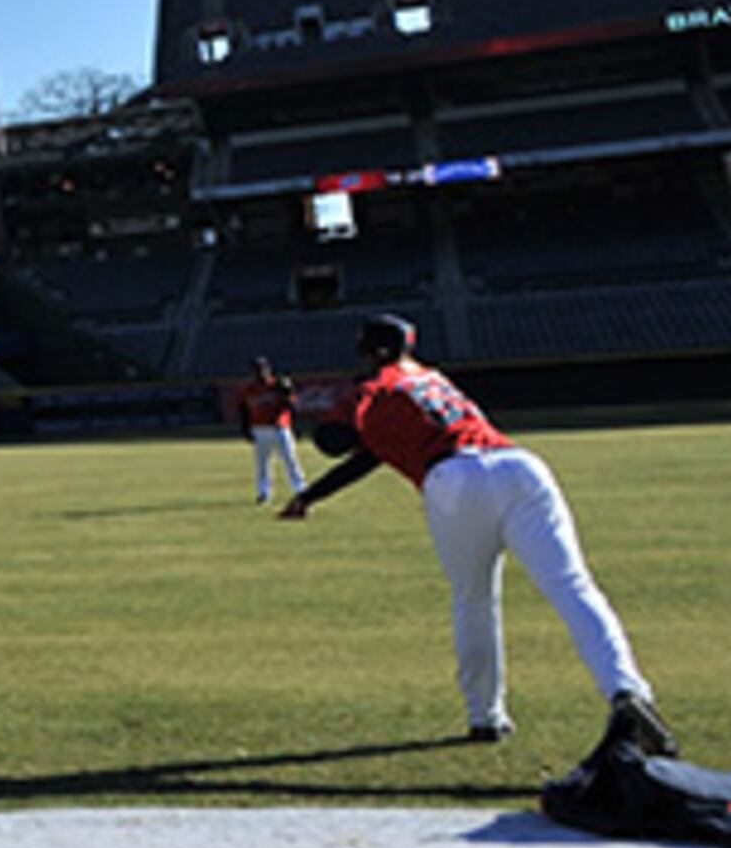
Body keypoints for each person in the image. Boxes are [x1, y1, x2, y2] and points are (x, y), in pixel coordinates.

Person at [281, 315, 673, 753]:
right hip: (520, 467)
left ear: (369, 352)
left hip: (454, 479)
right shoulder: (432, 378)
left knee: (474, 599)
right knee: (574, 587)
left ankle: (486, 717)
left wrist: (326, 451)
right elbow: (371, 452)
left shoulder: (373, 389)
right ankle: (627, 690)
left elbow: (337, 441)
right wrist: (311, 496)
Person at [237, 357, 309, 505]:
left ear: (269, 369)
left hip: (280, 428)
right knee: (263, 464)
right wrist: (245, 429)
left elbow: (291, 405)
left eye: (263, 369)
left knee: (290, 460)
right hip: (259, 429)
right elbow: (244, 411)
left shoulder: (278, 385)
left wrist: (287, 392)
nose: (261, 372)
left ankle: (301, 490)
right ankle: (264, 493)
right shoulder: (248, 390)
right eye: (257, 370)